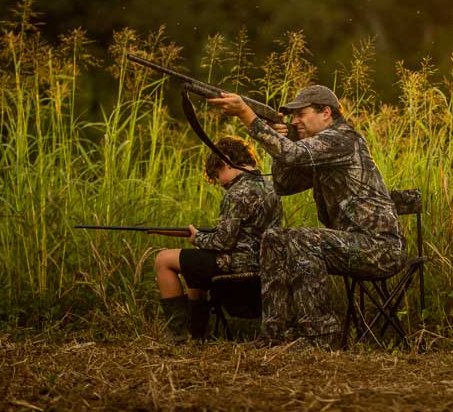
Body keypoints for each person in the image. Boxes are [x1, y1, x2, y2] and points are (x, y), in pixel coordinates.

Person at [208, 84, 406, 349]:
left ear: (326, 113)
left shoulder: (343, 138)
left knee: (303, 239)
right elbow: (284, 185)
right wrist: (279, 142)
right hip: (353, 242)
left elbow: (293, 153)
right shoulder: (320, 152)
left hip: (381, 248)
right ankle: (274, 334)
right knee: (275, 238)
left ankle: (320, 336)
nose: (294, 121)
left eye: (301, 114)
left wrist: (247, 115)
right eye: (292, 116)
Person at [154, 135, 282, 343]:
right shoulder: (270, 187)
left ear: (225, 163)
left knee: (163, 260)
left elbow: (224, 242)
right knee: (193, 264)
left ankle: (177, 335)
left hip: (235, 264)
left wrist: (197, 238)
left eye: (217, 173)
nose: (220, 182)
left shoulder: (237, 192)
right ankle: (197, 334)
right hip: (263, 265)